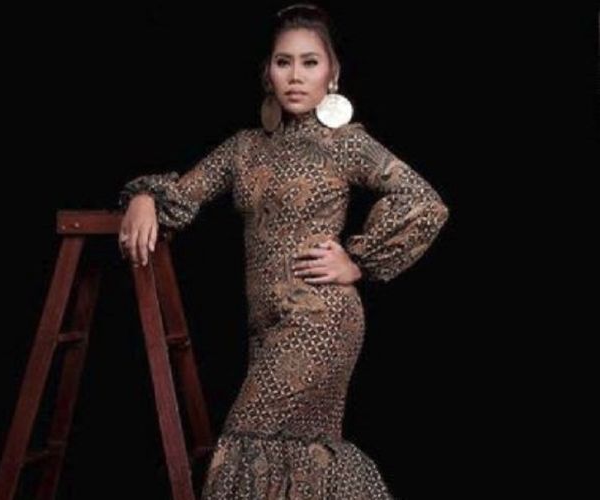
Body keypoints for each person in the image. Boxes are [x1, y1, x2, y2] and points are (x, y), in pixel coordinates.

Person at [117, 4, 449, 498]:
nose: (296, 75)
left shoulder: (345, 144)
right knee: (297, 453)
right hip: (264, 326)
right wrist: (144, 197)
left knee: (247, 438)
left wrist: (358, 261)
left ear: (332, 73)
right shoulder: (244, 147)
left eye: (310, 62)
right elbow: (183, 196)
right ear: (267, 74)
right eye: (283, 62)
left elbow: (424, 201)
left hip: (321, 320)